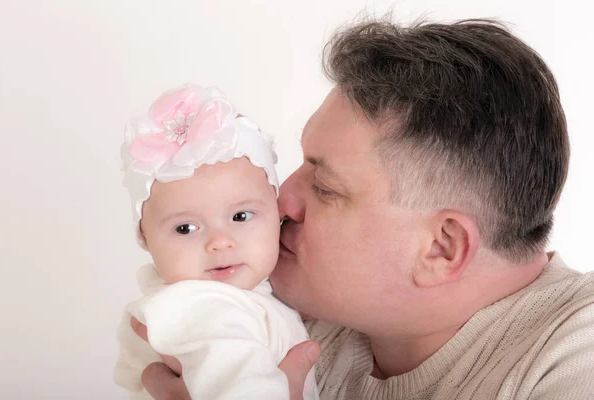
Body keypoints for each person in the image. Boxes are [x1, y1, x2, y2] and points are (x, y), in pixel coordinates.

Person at [133, 18, 594, 399]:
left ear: (441, 248)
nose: (281, 202)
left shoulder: (575, 360)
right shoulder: (269, 327)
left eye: (326, 187)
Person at [114, 84, 319, 399]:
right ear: (145, 239)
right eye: (185, 228)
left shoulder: (238, 298)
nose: (220, 243)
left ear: (276, 211)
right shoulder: (205, 311)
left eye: (241, 217)